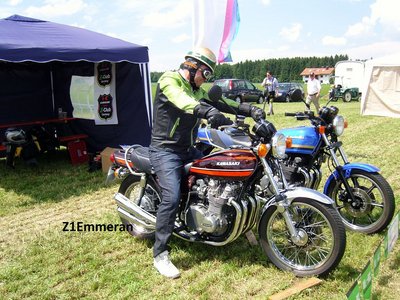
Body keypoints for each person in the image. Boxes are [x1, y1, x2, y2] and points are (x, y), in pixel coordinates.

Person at [149, 47, 265, 279]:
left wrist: (249, 109)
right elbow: (182, 101)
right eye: (206, 73)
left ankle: (230, 221)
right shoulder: (169, 80)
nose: (206, 79)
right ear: (191, 67)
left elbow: (224, 102)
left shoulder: (197, 90)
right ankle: (160, 253)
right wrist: (207, 112)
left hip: (188, 149)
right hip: (165, 150)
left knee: (221, 174)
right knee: (171, 197)